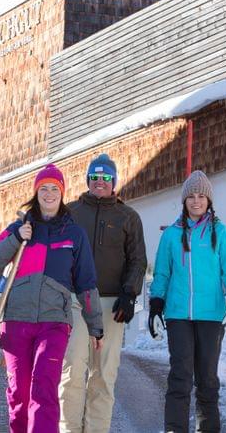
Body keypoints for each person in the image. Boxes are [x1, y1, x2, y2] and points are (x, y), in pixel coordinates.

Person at [0, 163, 104, 433]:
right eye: (44, 188)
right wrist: (15, 238)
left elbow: (86, 282)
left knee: (44, 387)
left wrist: (95, 325)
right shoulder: (20, 227)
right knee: (18, 394)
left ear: (62, 193)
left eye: (54, 189)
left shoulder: (74, 234)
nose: (49, 194)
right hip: (15, 320)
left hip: (54, 322)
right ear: (36, 192)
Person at [148, 170, 226, 433]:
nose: (196, 201)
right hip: (178, 315)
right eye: (191, 196)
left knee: (207, 380)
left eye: (201, 196)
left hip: (211, 316)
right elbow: (162, 274)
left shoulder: (221, 233)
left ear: (209, 200)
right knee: (180, 377)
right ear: (184, 200)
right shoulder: (170, 236)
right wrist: (156, 304)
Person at [59, 153, 147, 433]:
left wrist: (129, 294)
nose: (100, 182)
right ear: (87, 180)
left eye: (106, 177)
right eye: (95, 177)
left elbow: (137, 260)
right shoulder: (70, 213)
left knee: (104, 374)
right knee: (72, 368)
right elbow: (57, 253)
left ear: (114, 182)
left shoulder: (128, 217)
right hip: (75, 300)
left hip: (111, 304)